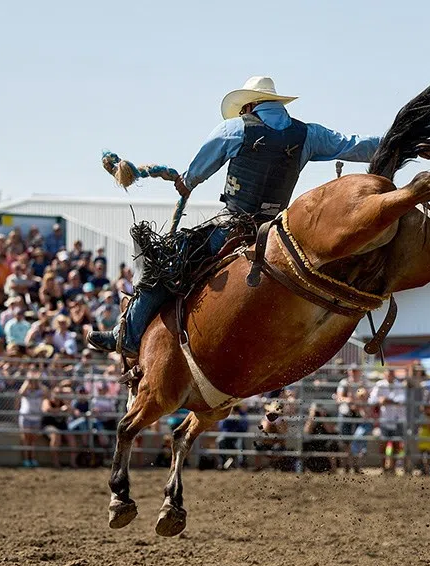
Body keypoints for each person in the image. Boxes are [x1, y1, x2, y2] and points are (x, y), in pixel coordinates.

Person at [88, 76, 383, 357]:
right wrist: (397, 144)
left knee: (168, 263)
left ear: (248, 106)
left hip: (234, 227)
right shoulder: (309, 134)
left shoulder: (235, 128)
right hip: (278, 231)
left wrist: (187, 181)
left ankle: (126, 336)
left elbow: (200, 167)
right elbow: (352, 144)